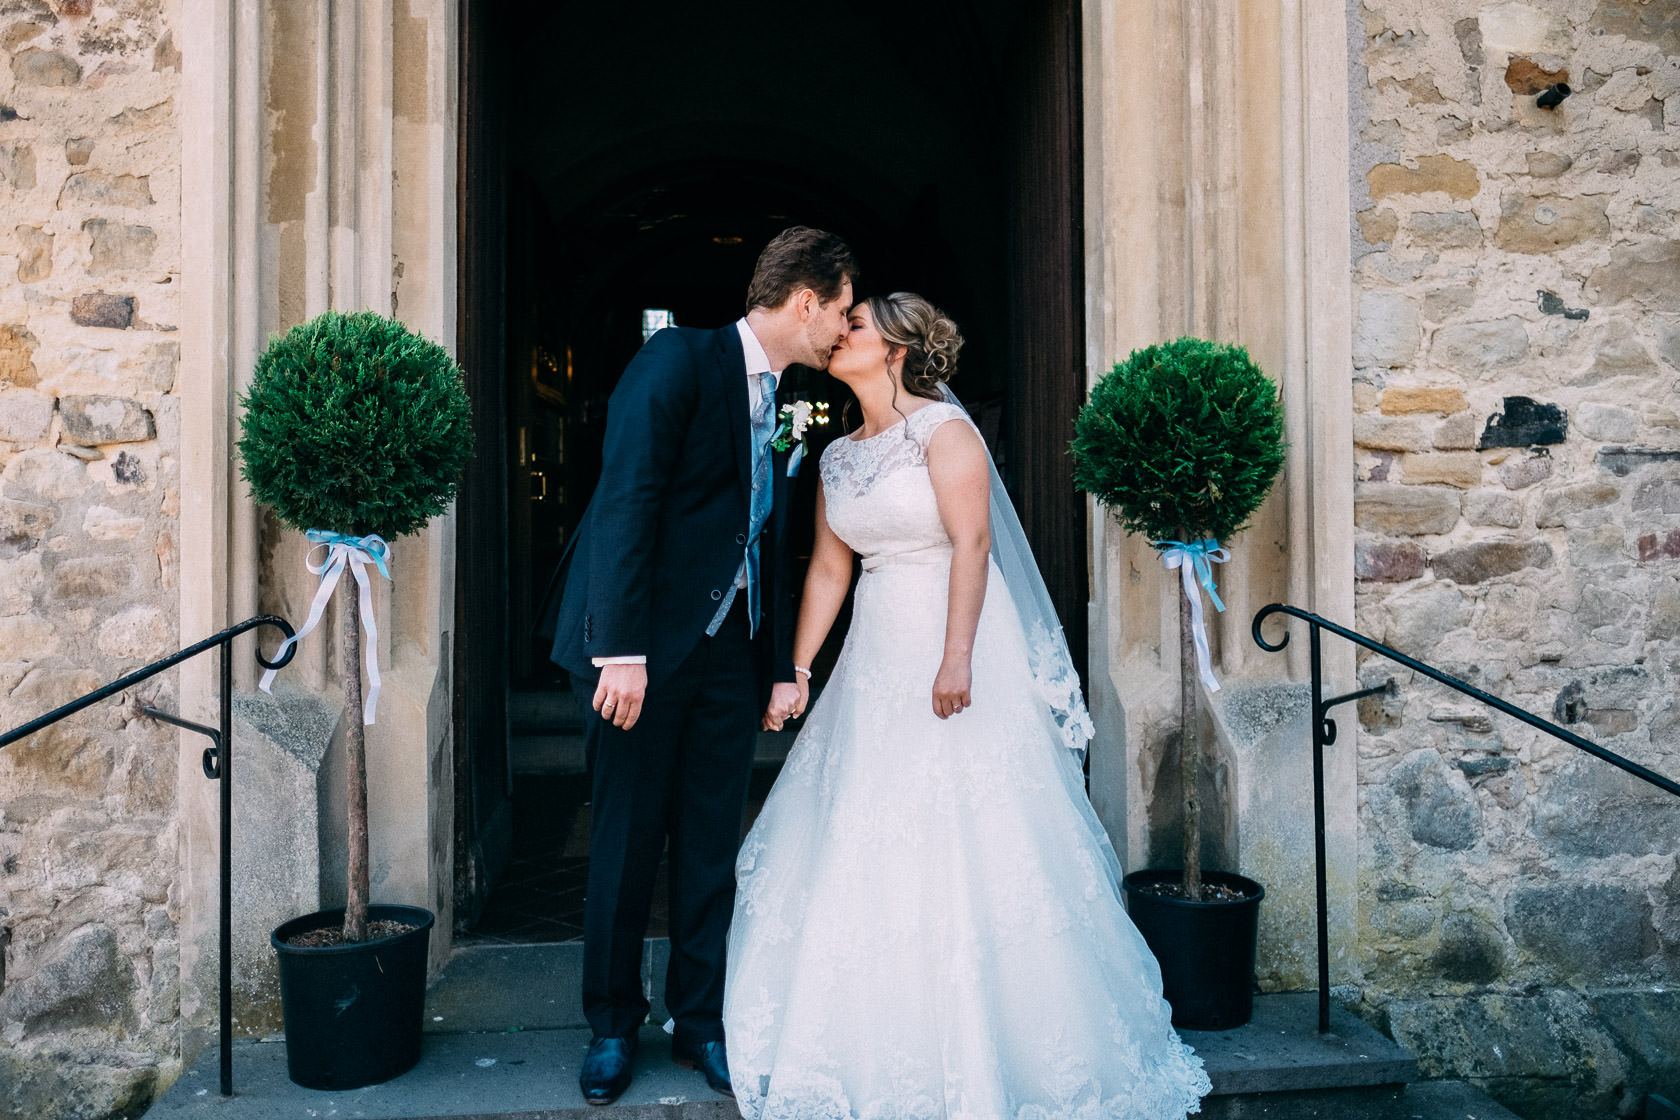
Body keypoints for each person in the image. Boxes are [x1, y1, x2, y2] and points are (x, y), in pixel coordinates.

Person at [723, 293, 1212, 1119]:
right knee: (865, 826)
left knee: (970, 830)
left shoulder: (946, 436)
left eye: (858, 326)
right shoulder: (839, 456)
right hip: (875, 656)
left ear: (898, 350)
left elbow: (974, 543)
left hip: (954, 647)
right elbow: (830, 572)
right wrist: (798, 669)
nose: (841, 333)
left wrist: (956, 655)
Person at [544, 227, 859, 1106]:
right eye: (839, 311)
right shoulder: (677, 360)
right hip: (637, 655)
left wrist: (773, 667)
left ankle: (700, 1021)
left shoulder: (788, 397)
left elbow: (761, 540)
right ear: (806, 300)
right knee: (626, 841)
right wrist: (622, 652)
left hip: (730, 657)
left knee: (713, 845)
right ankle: (611, 1023)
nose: (842, 328)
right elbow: (627, 501)